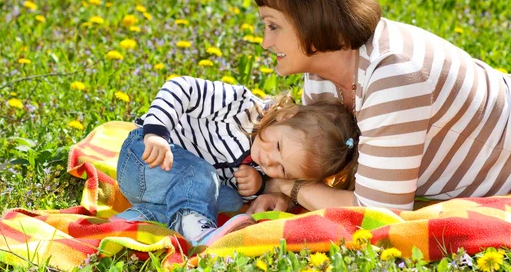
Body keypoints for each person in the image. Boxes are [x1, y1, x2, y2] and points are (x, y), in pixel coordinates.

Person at [248, 0, 511, 214]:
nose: (265, 42)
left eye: (273, 26)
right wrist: (285, 194)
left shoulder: (396, 77)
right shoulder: (322, 73)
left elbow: (378, 213)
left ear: (310, 25)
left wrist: (292, 187)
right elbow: (318, 164)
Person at [113, 75, 359, 246]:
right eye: (278, 146)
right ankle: (199, 236)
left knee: (231, 199)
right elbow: (180, 88)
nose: (269, 161)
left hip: (162, 190)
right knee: (200, 175)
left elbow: (245, 182)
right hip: (145, 158)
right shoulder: (240, 107)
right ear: (286, 115)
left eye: (282, 169)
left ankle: (142, 217)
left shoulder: (266, 166)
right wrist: (157, 132)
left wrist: (259, 186)